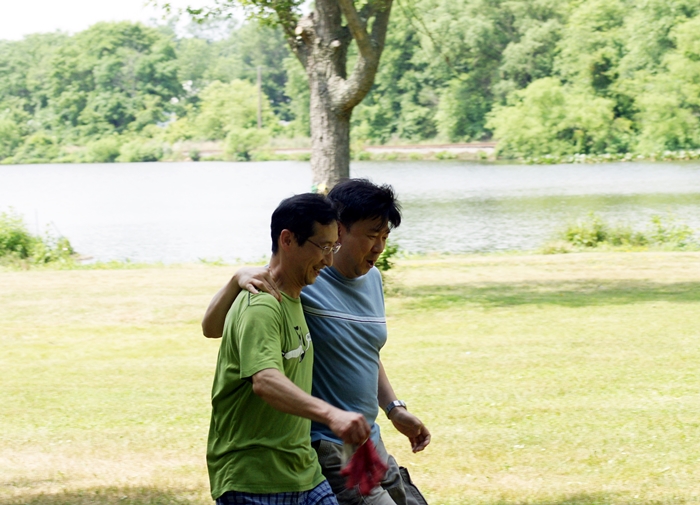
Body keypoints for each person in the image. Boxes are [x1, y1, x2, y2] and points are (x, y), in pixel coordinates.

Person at [203, 179, 431, 505]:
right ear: (340, 230)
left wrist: (394, 408)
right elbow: (216, 328)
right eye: (371, 235)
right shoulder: (298, 281)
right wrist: (236, 278)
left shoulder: (370, 280)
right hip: (325, 444)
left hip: (365, 438)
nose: (379, 247)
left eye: (385, 236)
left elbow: (364, 350)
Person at [207, 193, 371, 505]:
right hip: (254, 480)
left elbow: (211, 327)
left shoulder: (297, 296)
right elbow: (265, 381)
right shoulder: (262, 305)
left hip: (304, 473)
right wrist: (332, 414)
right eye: (323, 247)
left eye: (334, 247)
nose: (329, 260)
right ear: (287, 240)